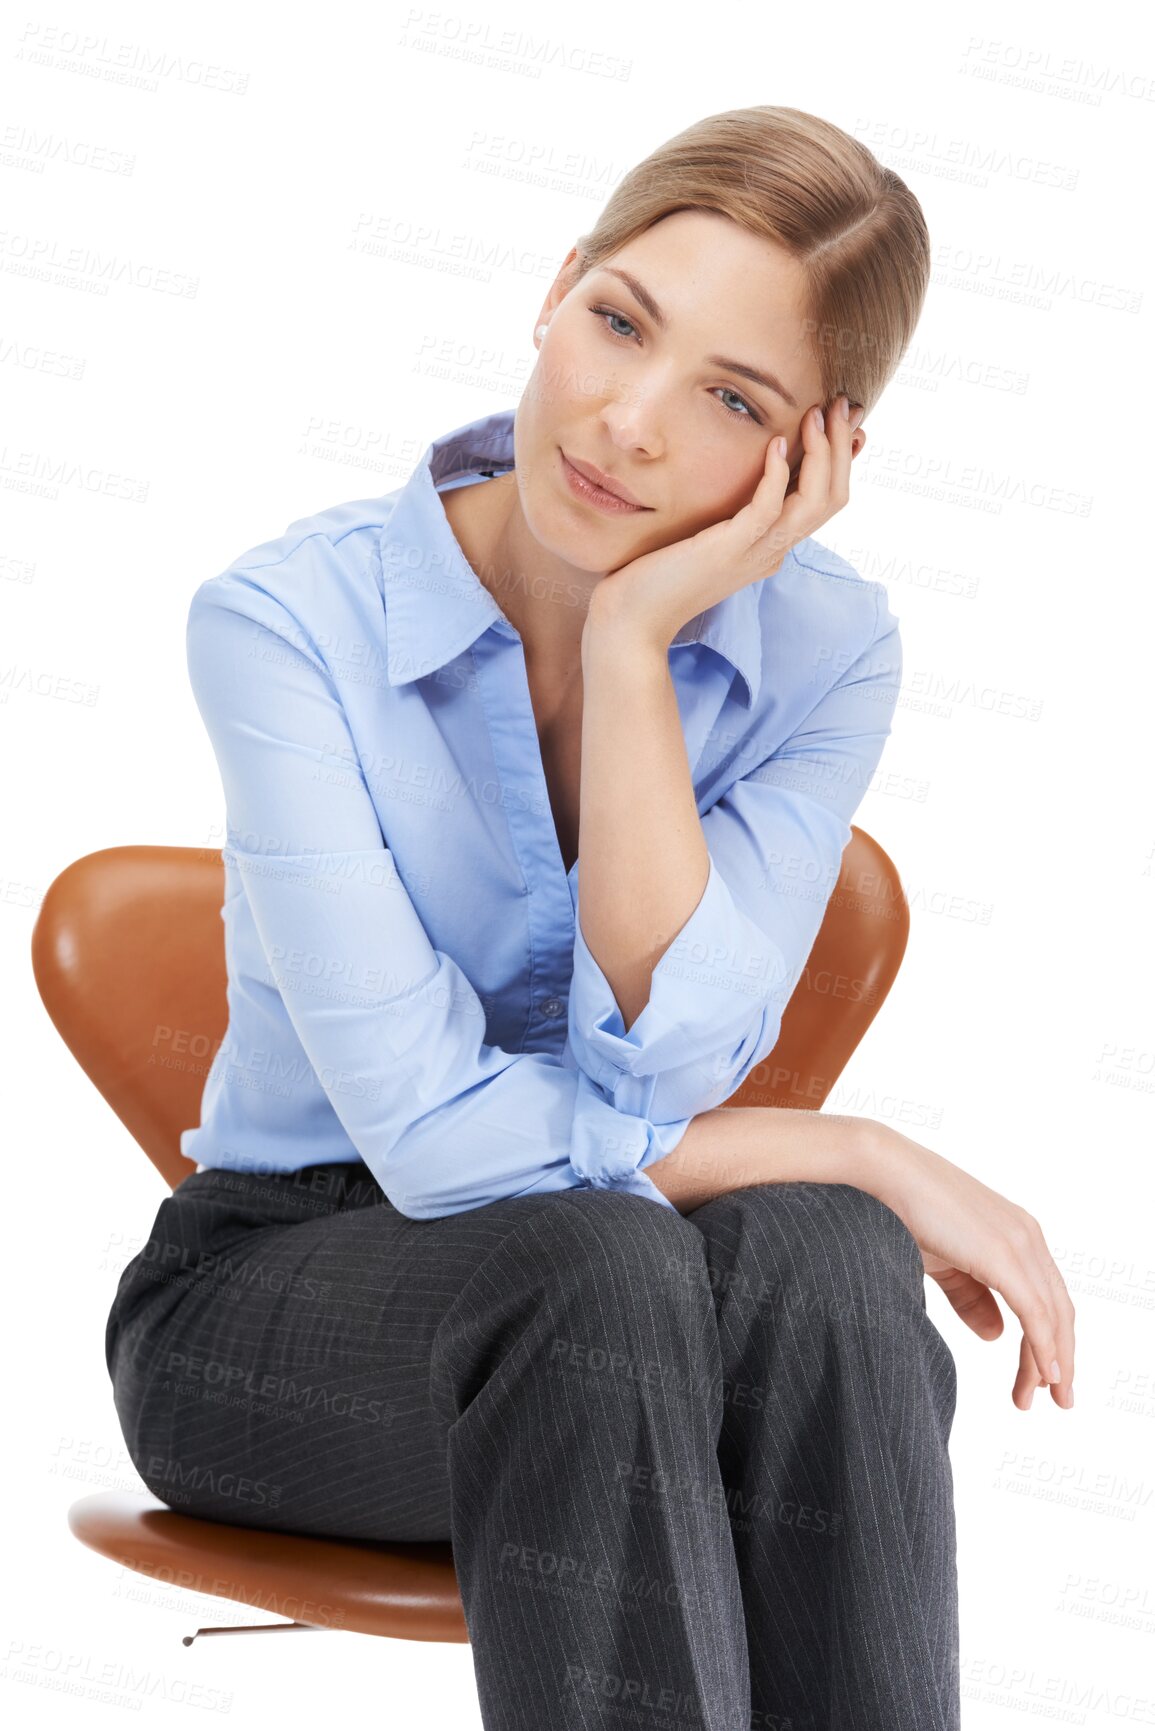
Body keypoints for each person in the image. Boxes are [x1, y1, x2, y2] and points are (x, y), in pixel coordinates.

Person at [105, 105, 1075, 1731]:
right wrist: (857, 1144)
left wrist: (634, 656)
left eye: (731, 400)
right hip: (280, 1310)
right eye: (620, 320)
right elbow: (422, 1136)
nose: (625, 422)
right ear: (556, 288)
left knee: (825, 1269)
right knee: (638, 1259)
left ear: (812, 457)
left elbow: (678, 1053)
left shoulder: (829, 653)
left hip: (629, 1289)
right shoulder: (287, 622)